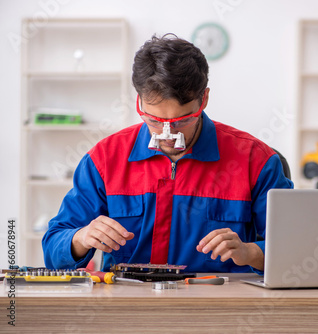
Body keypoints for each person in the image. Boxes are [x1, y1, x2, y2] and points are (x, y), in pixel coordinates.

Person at [42, 34, 293, 273]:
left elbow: (295, 251)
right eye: (154, 120)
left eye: (181, 121)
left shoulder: (255, 161)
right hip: (126, 308)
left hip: (220, 308)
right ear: (139, 101)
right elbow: (53, 249)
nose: (167, 134)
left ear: (203, 99)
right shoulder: (104, 160)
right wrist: (81, 237)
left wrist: (250, 252)